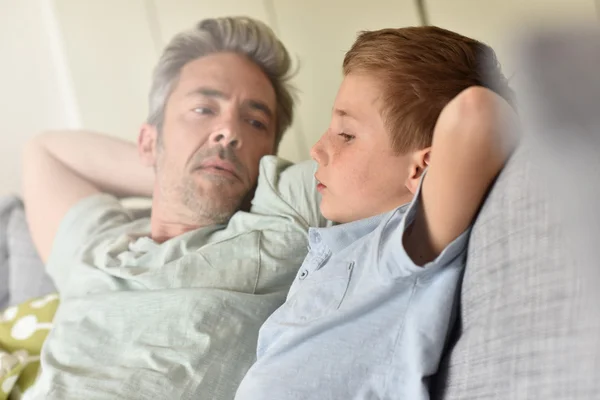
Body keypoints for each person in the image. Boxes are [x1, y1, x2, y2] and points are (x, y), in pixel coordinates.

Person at [21, 17, 324, 399]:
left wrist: (229, 179)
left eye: (255, 121)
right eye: (203, 109)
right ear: (147, 142)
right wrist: (173, 169)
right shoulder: (97, 246)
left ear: (270, 158)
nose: (229, 131)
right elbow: (44, 152)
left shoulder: (282, 219)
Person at [235, 26, 519, 399]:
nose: (318, 149)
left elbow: (478, 112)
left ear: (421, 169)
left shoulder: (402, 249)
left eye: (346, 134)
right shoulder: (351, 249)